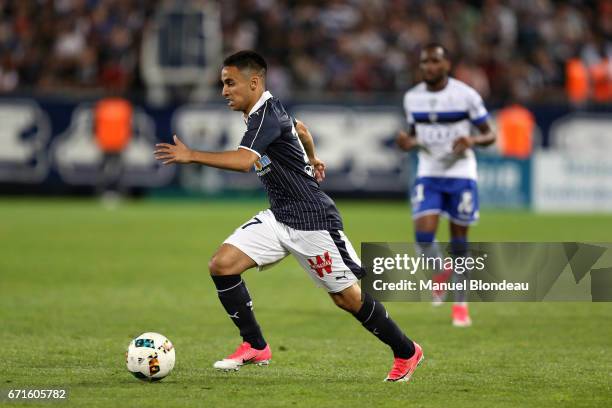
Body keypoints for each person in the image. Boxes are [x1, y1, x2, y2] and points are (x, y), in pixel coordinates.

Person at [154, 50, 423, 382]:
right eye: (223, 83)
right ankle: (255, 345)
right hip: (279, 216)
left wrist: (191, 154)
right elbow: (303, 129)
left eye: (229, 83)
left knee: (346, 298)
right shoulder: (263, 111)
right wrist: (313, 157)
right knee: (222, 265)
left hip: (312, 221)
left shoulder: (264, 116)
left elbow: (242, 162)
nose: (224, 90)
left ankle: (407, 351)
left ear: (254, 82)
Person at [397, 44, 496, 327]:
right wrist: (409, 143)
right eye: (424, 62)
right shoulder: (412, 98)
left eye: (435, 62)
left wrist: (472, 141)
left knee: (459, 241)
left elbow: (490, 134)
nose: (429, 67)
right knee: (424, 238)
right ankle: (442, 273)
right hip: (429, 171)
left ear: (446, 65)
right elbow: (415, 134)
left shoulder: (465, 96)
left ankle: (461, 305)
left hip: (461, 172)